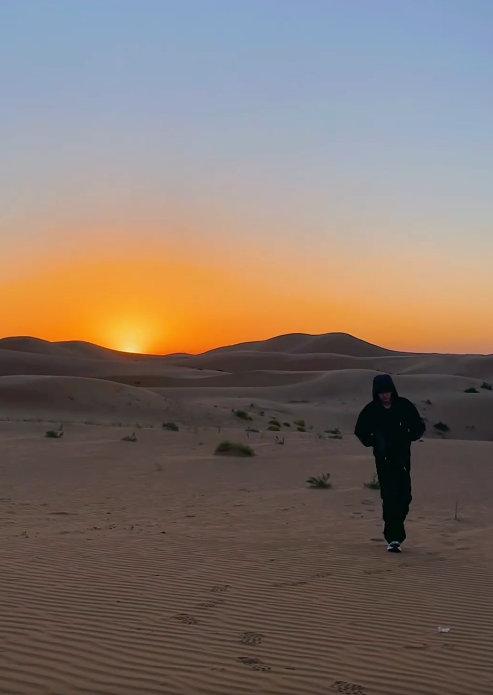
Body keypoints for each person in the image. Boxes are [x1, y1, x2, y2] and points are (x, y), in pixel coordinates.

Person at [354, 373, 425, 552]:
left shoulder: (404, 406)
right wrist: (374, 441)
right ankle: (394, 538)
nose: (385, 395)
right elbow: (360, 430)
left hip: (402, 458)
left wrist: (409, 436)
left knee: (405, 496)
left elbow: (418, 426)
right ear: (376, 393)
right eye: (381, 392)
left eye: (387, 392)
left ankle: (395, 529)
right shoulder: (371, 410)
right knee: (389, 496)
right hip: (384, 460)